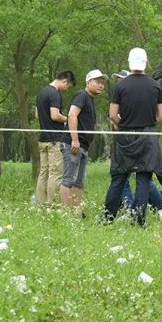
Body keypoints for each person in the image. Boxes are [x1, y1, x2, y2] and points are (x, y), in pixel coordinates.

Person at [103, 48, 162, 225]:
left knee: (119, 177)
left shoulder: (120, 86)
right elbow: (161, 115)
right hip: (147, 135)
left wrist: (124, 123)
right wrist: (147, 121)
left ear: (130, 62)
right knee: (144, 178)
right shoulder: (155, 85)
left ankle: (107, 218)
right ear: (145, 62)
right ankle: (138, 220)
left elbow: (113, 115)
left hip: (125, 136)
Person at [60, 69, 107, 216]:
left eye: (102, 83)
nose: (101, 85)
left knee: (79, 181)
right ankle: (66, 213)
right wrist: (74, 139)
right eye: (97, 82)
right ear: (88, 82)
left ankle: (77, 211)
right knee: (68, 179)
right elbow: (72, 115)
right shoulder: (82, 95)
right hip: (73, 144)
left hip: (83, 146)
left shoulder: (90, 99)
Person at [35, 71, 75, 207]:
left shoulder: (41, 93)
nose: (67, 89)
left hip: (43, 139)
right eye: (68, 86)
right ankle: (52, 203)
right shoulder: (55, 93)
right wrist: (68, 119)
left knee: (44, 171)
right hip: (54, 139)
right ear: (64, 81)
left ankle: (41, 202)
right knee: (56, 171)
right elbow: (55, 115)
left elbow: (36, 115)